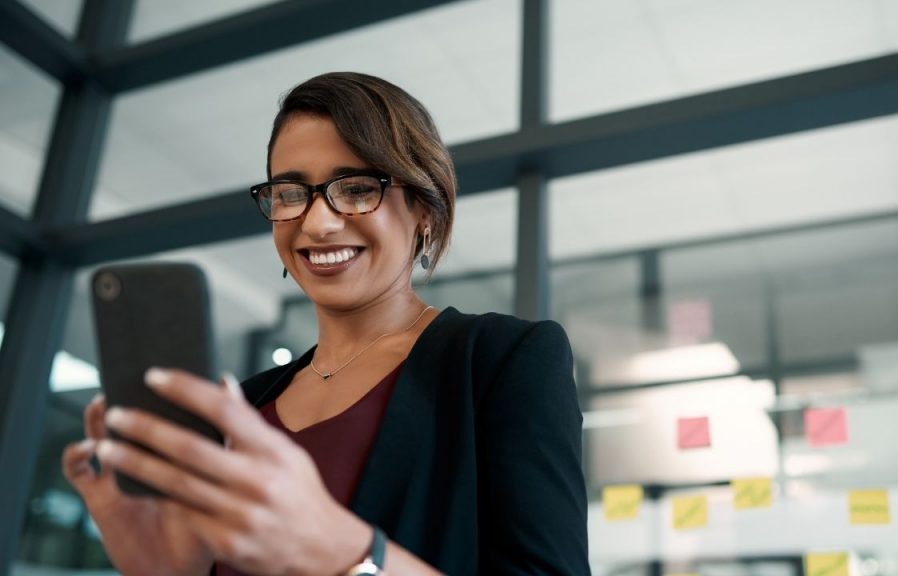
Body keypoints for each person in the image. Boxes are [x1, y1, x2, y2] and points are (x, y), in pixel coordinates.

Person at [62, 72, 590, 575]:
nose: (316, 222)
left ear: (424, 209)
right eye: (290, 193)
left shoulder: (502, 360)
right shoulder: (241, 408)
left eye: (358, 188)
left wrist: (347, 551)